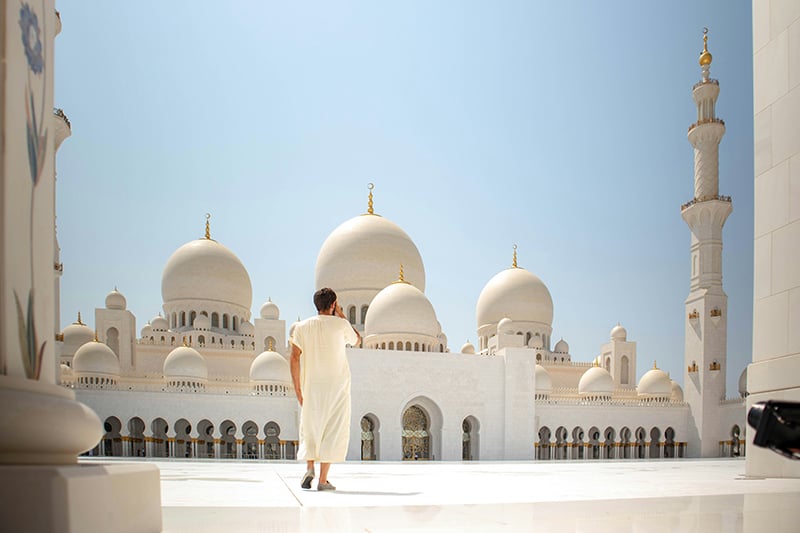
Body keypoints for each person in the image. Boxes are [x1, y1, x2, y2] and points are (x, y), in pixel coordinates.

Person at [290, 287, 360, 491]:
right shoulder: (341, 325)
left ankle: (309, 467)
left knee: (311, 427)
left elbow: (294, 357)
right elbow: (357, 340)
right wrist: (342, 316)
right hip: (337, 386)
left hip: (311, 386)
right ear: (333, 304)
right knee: (333, 428)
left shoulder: (301, 327)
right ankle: (322, 480)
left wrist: (297, 389)